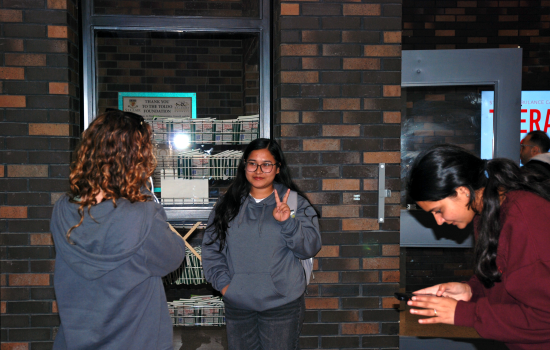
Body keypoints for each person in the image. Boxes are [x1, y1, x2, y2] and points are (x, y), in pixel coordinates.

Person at [50, 109, 186, 350]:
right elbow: (173, 257)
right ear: (135, 157)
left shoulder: (63, 209)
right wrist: (144, 195)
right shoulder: (142, 214)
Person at [406, 144, 550, 350]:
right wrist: (471, 291)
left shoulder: (523, 217)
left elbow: (545, 318)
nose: (438, 221)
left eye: (438, 210)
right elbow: (507, 281)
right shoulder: (486, 213)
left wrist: (463, 314)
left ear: (463, 192)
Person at [202, 138, 321, 350]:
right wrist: (226, 287)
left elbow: (309, 248)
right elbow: (212, 249)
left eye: (266, 164)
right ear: (244, 166)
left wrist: (288, 223)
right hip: (238, 304)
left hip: (282, 305)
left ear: (278, 168)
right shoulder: (227, 204)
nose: (258, 170)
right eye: (252, 163)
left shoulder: (294, 202)